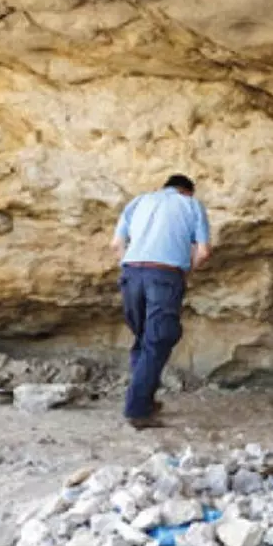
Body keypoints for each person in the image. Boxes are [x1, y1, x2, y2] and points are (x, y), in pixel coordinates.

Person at [110, 174, 212, 429]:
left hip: (130, 274)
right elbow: (203, 251)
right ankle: (137, 410)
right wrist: (185, 270)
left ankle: (145, 400)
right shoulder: (190, 204)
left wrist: (131, 267)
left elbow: (116, 244)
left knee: (144, 340)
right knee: (159, 339)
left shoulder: (138, 201)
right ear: (187, 191)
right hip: (164, 275)